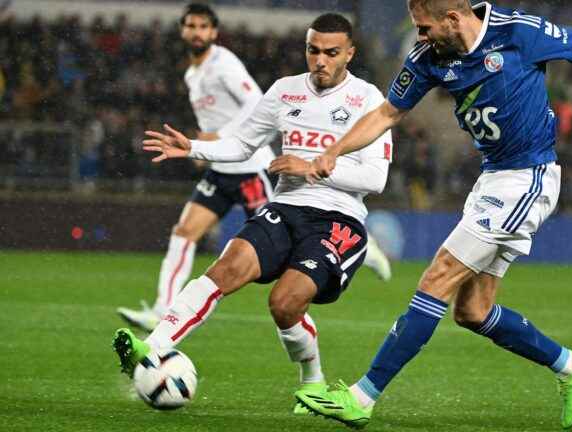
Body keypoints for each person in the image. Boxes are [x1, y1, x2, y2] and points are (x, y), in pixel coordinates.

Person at [293, 0, 572, 430]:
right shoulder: (427, 58)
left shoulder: (516, 33)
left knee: (438, 277)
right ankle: (570, 364)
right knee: (472, 311)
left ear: (452, 19)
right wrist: (334, 149)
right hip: (492, 179)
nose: (418, 37)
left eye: (423, 27)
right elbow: (386, 114)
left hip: (529, 177)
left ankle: (362, 398)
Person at [112, 12, 394, 414]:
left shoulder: (369, 99)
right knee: (225, 270)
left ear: (350, 53)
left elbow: (375, 178)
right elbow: (243, 145)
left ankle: (311, 380)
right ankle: (152, 347)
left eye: (331, 53)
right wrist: (192, 147)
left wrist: (311, 166)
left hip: (337, 219)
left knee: (284, 303)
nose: (320, 61)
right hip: (284, 208)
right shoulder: (285, 91)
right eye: (313, 51)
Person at [116, 3, 277, 331]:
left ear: (214, 32)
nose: (197, 32)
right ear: (182, 30)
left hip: (250, 167)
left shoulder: (223, 63)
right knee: (184, 232)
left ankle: (358, 246)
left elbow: (258, 103)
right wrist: (207, 149)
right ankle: (163, 309)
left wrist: (219, 137)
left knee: (279, 246)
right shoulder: (193, 73)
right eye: (191, 26)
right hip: (220, 171)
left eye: (203, 27)